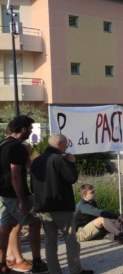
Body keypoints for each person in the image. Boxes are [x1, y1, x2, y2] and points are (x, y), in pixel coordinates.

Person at [31, 134, 93, 274]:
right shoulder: (59, 159)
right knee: (71, 240)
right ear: (59, 144)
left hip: (44, 207)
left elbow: (32, 186)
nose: (67, 147)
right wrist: (71, 162)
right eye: (66, 144)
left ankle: (54, 271)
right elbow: (72, 178)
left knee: (50, 242)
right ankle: (75, 270)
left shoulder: (36, 161)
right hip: (61, 206)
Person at [0, 116, 47, 274]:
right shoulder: (16, 147)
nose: (32, 131)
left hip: (4, 194)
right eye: (31, 128)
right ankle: (37, 262)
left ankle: (2, 265)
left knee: (5, 227)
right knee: (34, 223)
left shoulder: (3, 144)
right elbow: (15, 175)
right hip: (15, 194)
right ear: (24, 129)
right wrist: (21, 200)